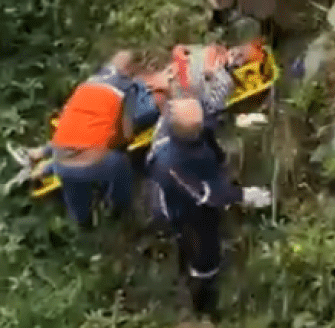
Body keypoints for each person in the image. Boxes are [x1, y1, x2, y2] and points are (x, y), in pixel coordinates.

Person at [6, 50, 164, 227]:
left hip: (61, 158)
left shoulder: (88, 83)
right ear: (132, 68)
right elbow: (127, 135)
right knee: (121, 166)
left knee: (74, 188)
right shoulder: (126, 88)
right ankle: (117, 210)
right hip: (91, 160)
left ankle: (83, 222)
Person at [147, 98, 271, 320]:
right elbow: (205, 195)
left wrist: (237, 120)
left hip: (202, 168)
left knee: (212, 213)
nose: (203, 123)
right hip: (183, 208)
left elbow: (210, 121)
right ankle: (203, 301)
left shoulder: (180, 117)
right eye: (199, 125)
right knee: (203, 250)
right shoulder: (169, 163)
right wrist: (244, 195)